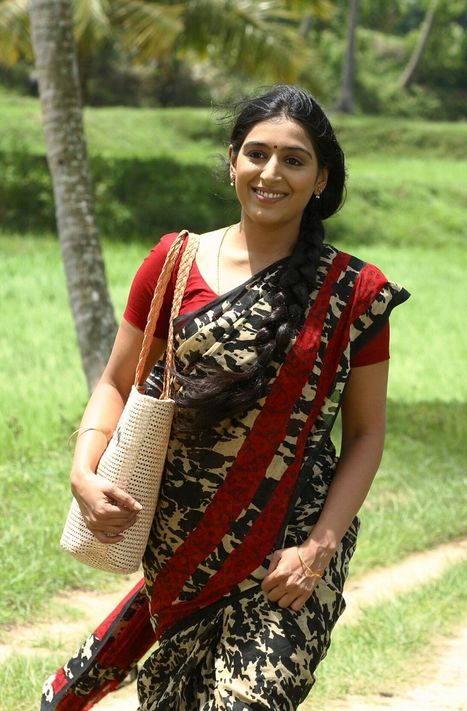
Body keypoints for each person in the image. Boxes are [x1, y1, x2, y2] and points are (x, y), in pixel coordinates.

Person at [41, 85, 409, 711]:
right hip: (181, 539)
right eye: (257, 154)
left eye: (294, 160)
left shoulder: (355, 291)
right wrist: (83, 470)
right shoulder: (173, 263)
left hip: (292, 550)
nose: (271, 173)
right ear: (233, 159)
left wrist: (318, 549)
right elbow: (117, 382)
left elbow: (366, 433)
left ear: (320, 178)